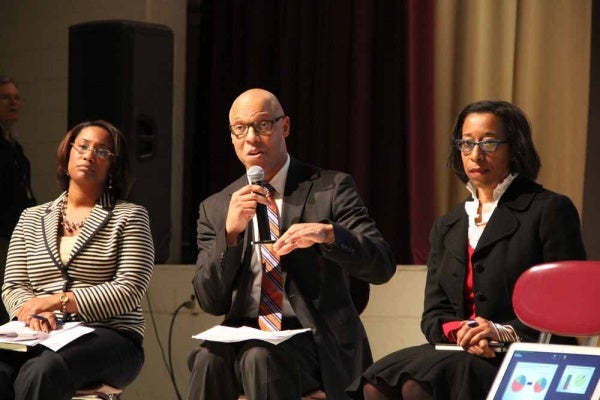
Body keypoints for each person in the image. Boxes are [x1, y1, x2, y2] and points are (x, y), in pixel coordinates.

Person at [346, 100, 586, 400]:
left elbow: (565, 305)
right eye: (466, 143)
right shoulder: (449, 224)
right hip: (462, 350)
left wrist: (500, 331)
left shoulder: (549, 209)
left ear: (515, 147)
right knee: (376, 384)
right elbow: (434, 314)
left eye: (489, 143)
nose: (475, 155)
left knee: (418, 386)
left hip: (528, 351)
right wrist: (462, 331)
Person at [187, 88, 396, 400]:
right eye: (240, 129)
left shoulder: (331, 188)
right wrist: (229, 235)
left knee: (259, 355)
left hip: (316, 337)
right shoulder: (217, 207)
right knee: (207, 359)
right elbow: (211, 301)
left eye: (262, 126)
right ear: (231, 137)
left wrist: (329, 234)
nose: (251, 138)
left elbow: (381, 265)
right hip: (244, 331)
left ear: (284, 127)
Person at [0, 120, 155, 399]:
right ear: (68, 153)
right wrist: (32, 311)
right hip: (38, 334)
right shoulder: (31, 218)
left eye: (102, 151)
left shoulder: (130, 216)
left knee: (42, 370)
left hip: (110, 336)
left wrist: (58, 300)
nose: (89, 154)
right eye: (82, 146)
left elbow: (130, 290)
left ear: (113, 165)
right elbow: (13, 285)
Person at [0, 76, 36, 324]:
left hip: (15, 233)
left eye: (16, 97)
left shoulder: (14, 145)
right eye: (6, 97)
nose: (13, 103)